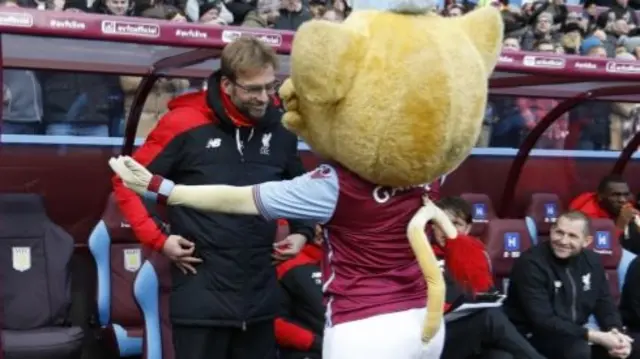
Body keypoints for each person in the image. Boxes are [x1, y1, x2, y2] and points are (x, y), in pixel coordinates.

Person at [107, 157, 453, 359]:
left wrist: (164, 188)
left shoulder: (336, 183)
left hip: (366, 329)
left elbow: (238, 200)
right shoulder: (430, 167)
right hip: (426, 323)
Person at [111, 36, 314, 359]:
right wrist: (158, 240)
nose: (264, 98)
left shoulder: (280, 130)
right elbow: (126, 180)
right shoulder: (184, 124)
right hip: (200, 300)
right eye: (253, 89)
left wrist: (303, 232)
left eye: (270, 86)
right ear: (227, 84)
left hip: (260, 301)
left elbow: (301, 187)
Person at [504, 210, 633, 359]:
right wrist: (593, 336)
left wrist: (615, 331)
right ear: (551, 230)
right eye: (559, 232)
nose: (563, 241)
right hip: (531, 334)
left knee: (627, 348)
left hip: (573, 332)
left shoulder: (593, 261)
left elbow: (603, 302)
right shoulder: (530, 263)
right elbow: (543, 320)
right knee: (578, 350)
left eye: (572, 236)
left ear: (587, 241)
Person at [433, 197, 546, 359]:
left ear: (467, 228)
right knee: (489, 317)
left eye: (456, 224)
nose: (447, 230)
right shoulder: (421, 256)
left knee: (502, 357)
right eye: (441, 224)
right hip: (437, 336)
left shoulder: (478, 255)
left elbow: (486, 295)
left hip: (471, 333)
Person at [275, 224, 324, 359]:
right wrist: (316, 342)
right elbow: (275, 323)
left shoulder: (356, 265)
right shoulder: (288, 265)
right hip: (308, 351)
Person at [570, 174, 640, 254]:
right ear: (600, 196)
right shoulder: (587, 216)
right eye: (615, 195)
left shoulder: (622, 205)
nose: (622, 200)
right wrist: (620, 225)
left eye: (626, 194)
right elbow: (601, 252)